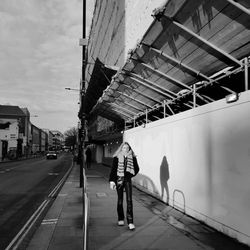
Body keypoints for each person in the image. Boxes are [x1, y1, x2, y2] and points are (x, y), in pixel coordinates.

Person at [109, 142, 139, 230]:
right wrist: (112, 181)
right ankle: (121, 218)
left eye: (127, 148)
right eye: (124, 147)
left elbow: (137, 169)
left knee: (129, 200)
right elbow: (113, 170)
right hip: (119, 180)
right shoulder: (116, 157)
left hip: (128, 181)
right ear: (121, 148)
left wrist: (130, 175)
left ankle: (130, 222)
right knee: (120, 200)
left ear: (129, 149)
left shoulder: (132, 157)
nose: (125, 149)